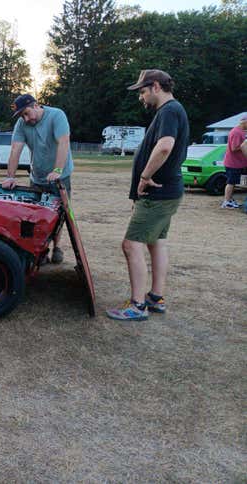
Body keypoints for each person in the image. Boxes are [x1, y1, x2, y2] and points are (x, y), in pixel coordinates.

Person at [106, 69, 189, 321]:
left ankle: (137, 305)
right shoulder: (171, 111)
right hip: (167, 193)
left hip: (157, 194)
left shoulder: (169, 110)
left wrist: (144, 177)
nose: (141, 97)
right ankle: (155, 297)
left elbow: (165, 146)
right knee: (156, 242)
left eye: (142, 92)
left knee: (131, 245)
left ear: (155, 86)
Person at [1, 94, 74, 264]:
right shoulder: (21, 124)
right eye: (22, 116)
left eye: (26, 113)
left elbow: (63, 143)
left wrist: (57, 170)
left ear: (36, 105)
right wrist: (10, 176)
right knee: (35, 217)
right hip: (37, 177)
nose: (25, 119)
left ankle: (57, 247)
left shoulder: (57, 116)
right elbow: (15, 150)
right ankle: (41, 250)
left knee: (59, 214)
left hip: (60, 176)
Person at [220, 115, 247, 209]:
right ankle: (226, 202)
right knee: (231, 182)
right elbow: (234, 148)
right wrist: (244, 145)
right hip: (233, 163)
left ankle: (230, 200)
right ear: (244, 122)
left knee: (234, 182)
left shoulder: (241, 132)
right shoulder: (236, 132)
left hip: (238, 163)